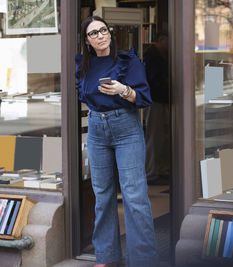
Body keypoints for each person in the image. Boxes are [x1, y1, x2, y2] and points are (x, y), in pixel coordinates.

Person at [75, 16, 158, 267]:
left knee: (134, 195)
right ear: (87, 41)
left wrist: (123, 90)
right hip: (97, 130)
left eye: (104, 30)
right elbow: (83, 94)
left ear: (110, 33)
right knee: (103, 195)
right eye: (94, 33)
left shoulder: (128, 60)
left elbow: (144, 98)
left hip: (126, 128)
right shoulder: (83, 65)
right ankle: (106, 256)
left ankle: (143, 260)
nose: (101, 35)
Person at [143, 33, 170, 185]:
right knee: (155, 136)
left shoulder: (160, 55)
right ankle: (151, 172)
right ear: (161, 39)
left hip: (160, 100)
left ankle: (160, 169)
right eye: (168, 40)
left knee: (161, 137)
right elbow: (154, 80)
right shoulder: (152, 57)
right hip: (154, 100)